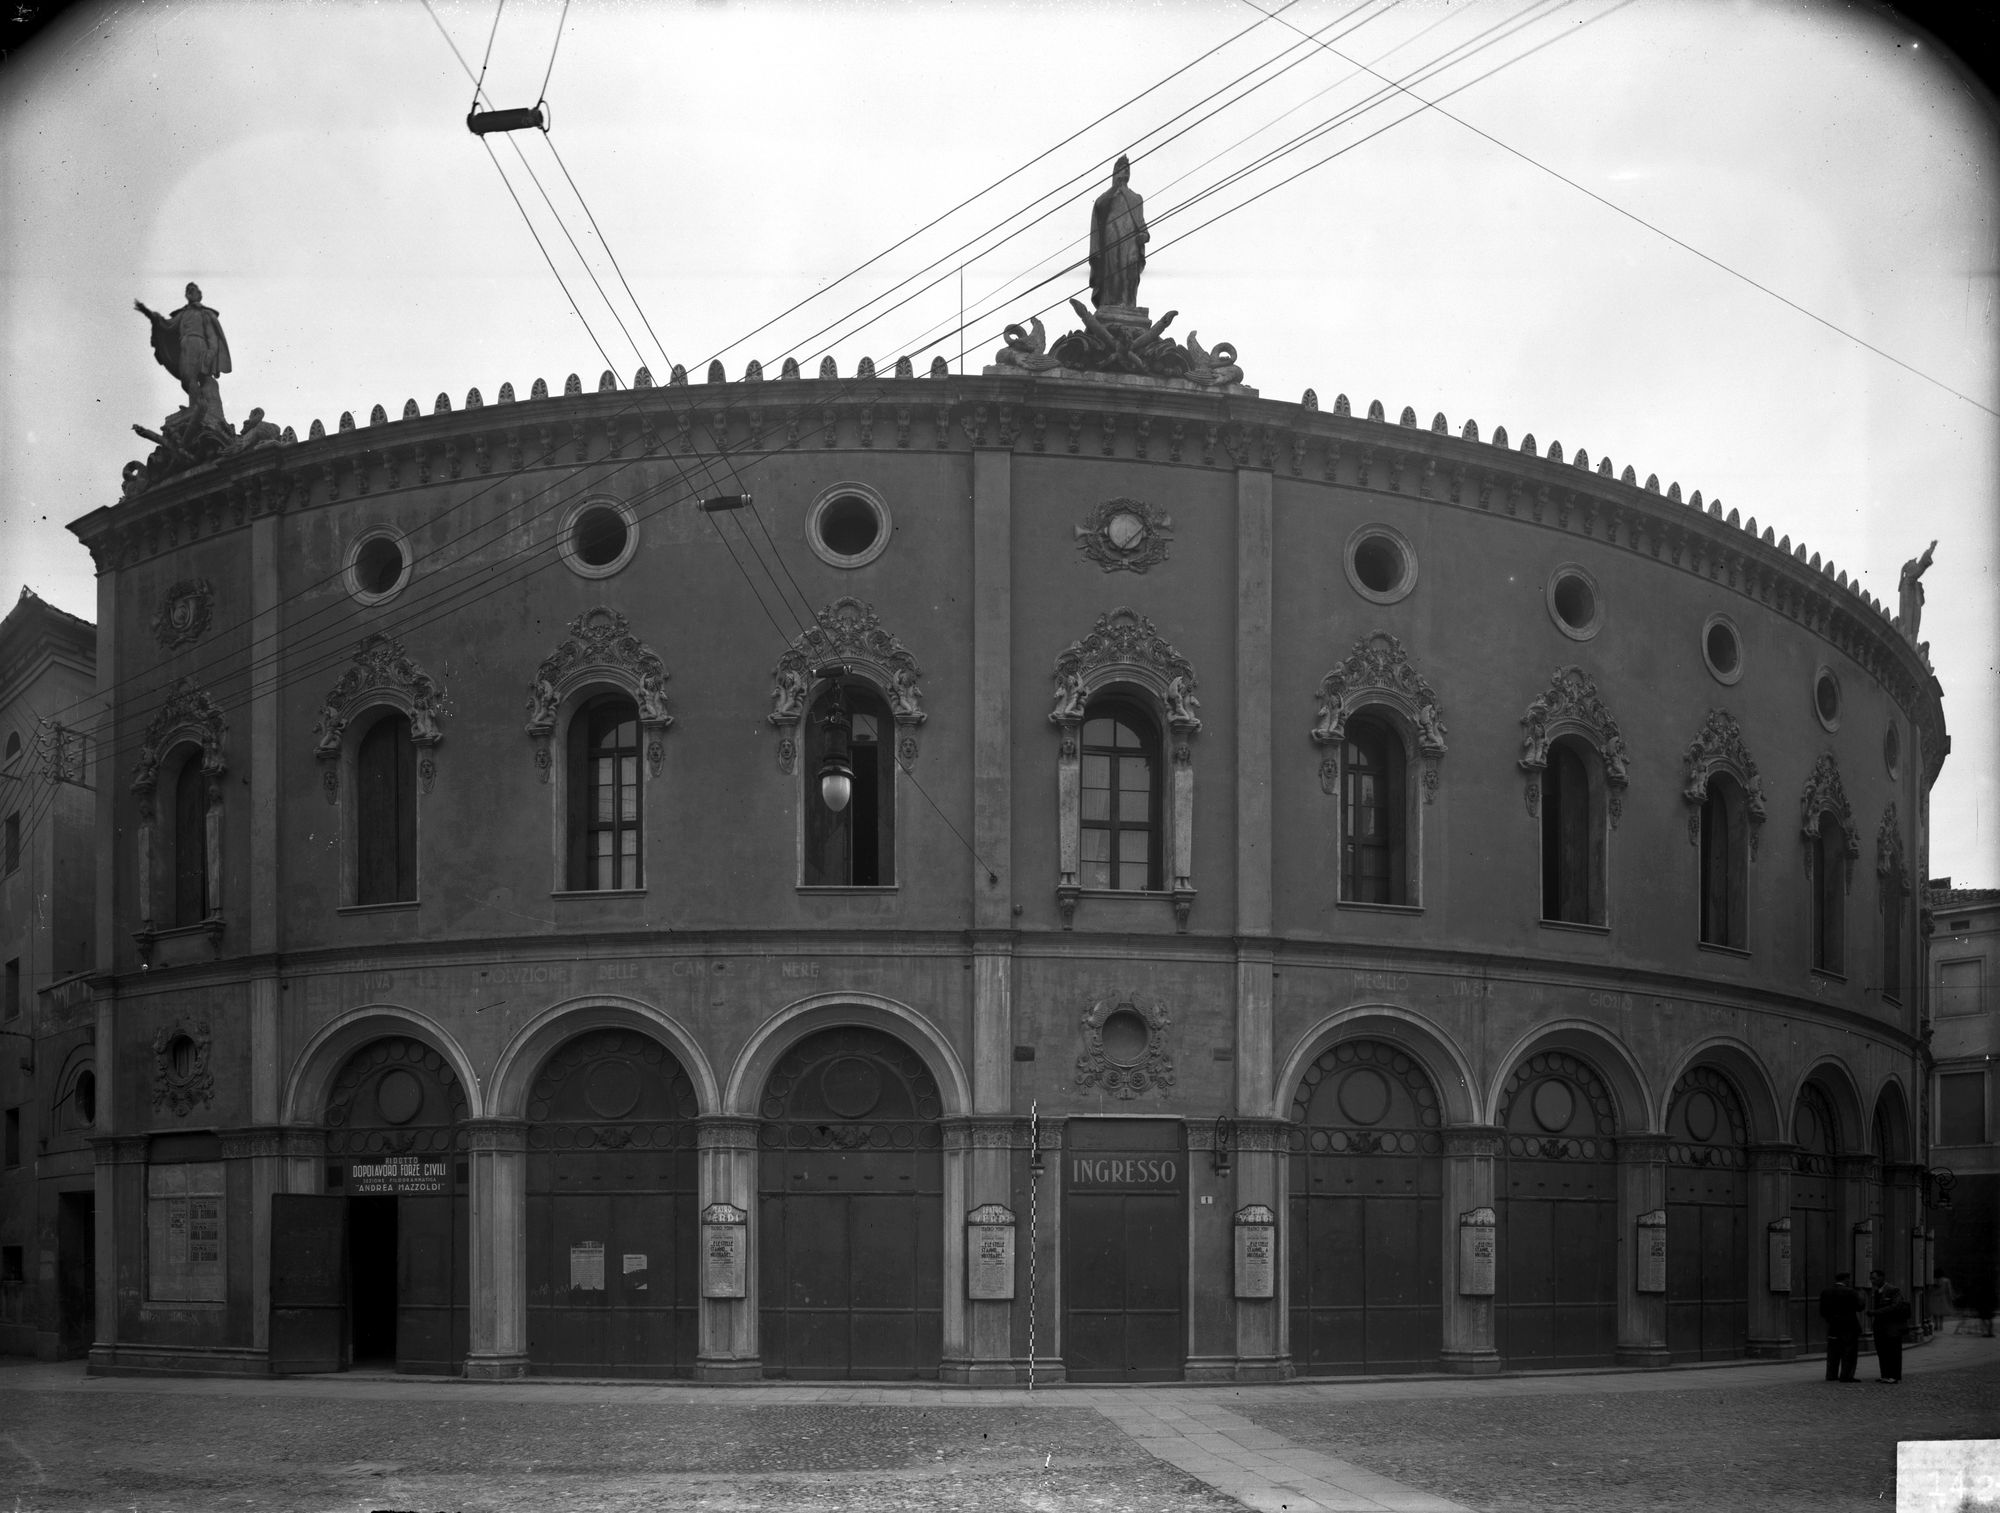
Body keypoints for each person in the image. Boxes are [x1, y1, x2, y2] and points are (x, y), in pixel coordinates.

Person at [134, 282, 232, 431]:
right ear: (186, 295)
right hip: (185, 346)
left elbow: (212, 336)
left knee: (193, 378)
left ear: (199, 294)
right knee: (186, 380)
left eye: (194, 290)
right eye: (188, 290)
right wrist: (148, 312)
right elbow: (166, 325)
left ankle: (196, 408)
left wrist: (211, 354)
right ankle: (199, 406)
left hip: (198, 344)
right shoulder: (183, 314)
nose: (191, 292)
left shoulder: (204, 313)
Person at [1089, 155, 1149, 310]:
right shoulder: (1106, 197)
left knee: (1130, 270)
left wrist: (1144, 234)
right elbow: (1099, 208)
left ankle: (1129, 304)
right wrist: (1115, 189)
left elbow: (1140, 222)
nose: (1125, 172)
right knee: (1113, 271)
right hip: (1112, 237)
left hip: (1131, 241)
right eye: (1121, 169)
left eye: (1127, 169)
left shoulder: (1136, 198)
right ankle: (1111, 303)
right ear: (1114, 172)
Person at [1818, 1271, 1863, 1381]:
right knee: (1849, 1351)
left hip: (1833, 1326)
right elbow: (1860, 1307)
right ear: (1846, 1279)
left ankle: (1831, 1375)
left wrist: (1831, 1319)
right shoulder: (1850, 1292)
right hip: (1849, 1326)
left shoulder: (1826, 1292)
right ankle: (1846, 1376)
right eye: (1849, 1279)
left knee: (1833, 1352)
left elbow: (1822, 1311)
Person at [1871, 1283, 1911, 1383]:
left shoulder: (1894, 1290)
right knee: (1882, 1351)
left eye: (1874, 1279)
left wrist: (1876, 1312)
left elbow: (1895, 1306)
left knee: (1894, 1351)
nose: (1872, 1281)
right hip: (1880, 1326)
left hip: (1893, 1326)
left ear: (1881, 1278)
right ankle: (1885, 1375)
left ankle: (1894, 1376)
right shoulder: (1877, 1291)